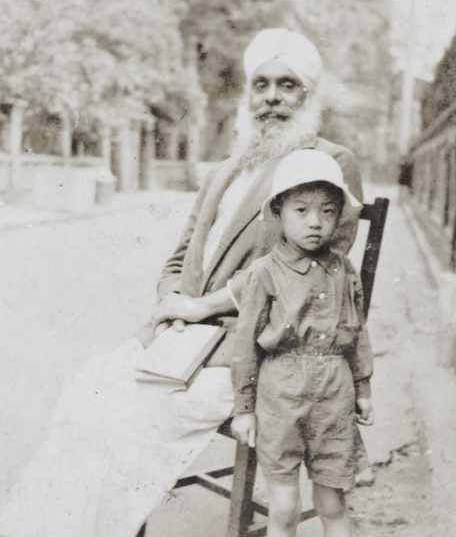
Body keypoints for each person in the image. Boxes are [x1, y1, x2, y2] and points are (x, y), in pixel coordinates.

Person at [0, 29, 364, 537]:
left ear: (308, 95)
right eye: (261, 85)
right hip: (183, 342)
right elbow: (180, 253)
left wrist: (201, 308)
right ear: (248, 93)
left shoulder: (327, 160)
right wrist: (172, 299)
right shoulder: (227, 165)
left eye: (288, 85)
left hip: (253, 351)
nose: (272, 98)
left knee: (125, 421)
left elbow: (309, 277)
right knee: (86, 400)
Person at [229, 149, 374, 537]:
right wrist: (244, 407)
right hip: (281, 395)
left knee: (332, 501)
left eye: (328, 211)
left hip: (334, 393)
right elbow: (245, 346)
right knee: (285, 508)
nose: (316, 223)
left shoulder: (343, 269)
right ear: (278, 211)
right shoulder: (263, 273)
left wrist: (362, 387)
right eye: (302, 210)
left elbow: (357, 330)